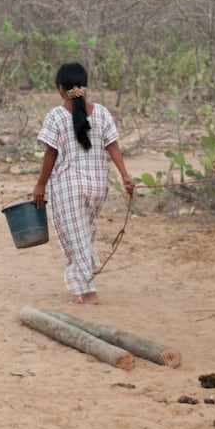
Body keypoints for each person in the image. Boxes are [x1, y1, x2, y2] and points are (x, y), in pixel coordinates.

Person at [32, 63, 135, 304]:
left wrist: (40, 185)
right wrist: (125, 175)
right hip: (98, 188)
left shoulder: (56, 115)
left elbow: (50, 154)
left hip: (70, 187)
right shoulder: (101, 112)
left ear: (61, 89)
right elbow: (113, 146)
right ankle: (86, 273)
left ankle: (88, 292)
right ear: (84, 87)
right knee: (83, 235)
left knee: (75, 238)